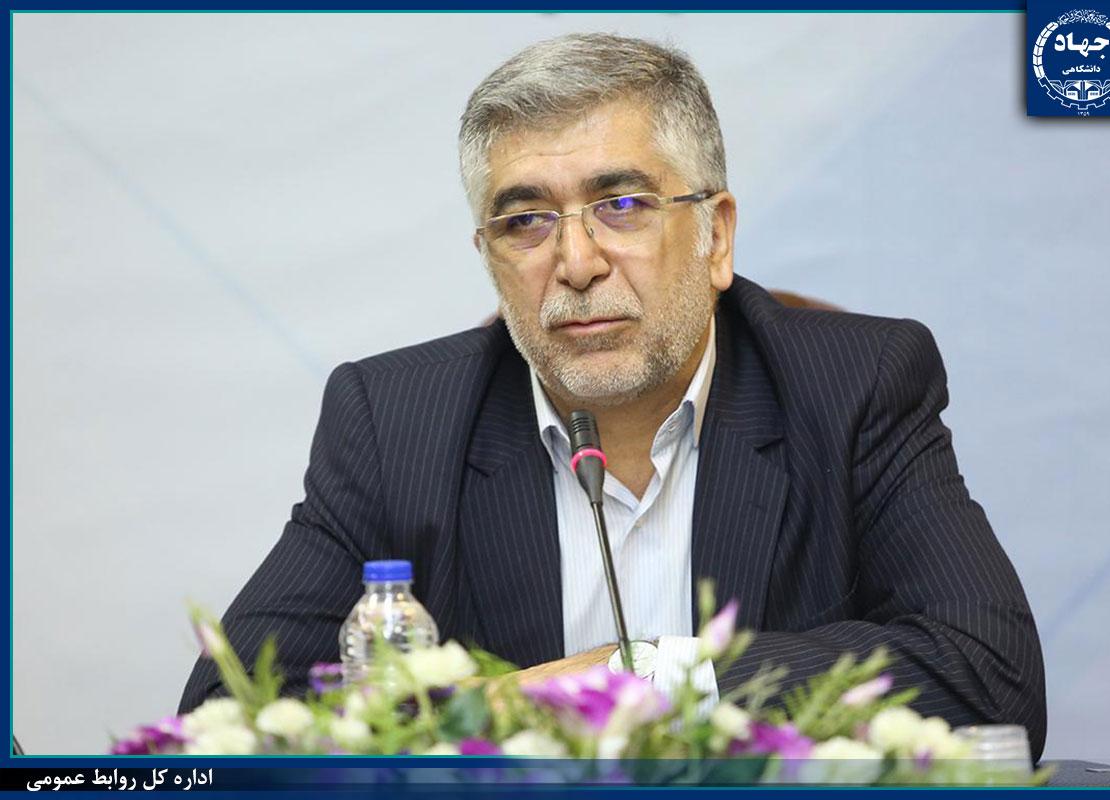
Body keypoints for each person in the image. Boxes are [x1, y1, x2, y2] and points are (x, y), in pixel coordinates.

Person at [180, 32, 1047, 759]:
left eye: (622, 204)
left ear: (716, 236)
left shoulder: (854, 386)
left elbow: (989, 672)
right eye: (526, 221)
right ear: (488, 257)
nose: (577, 263)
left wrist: (627, 683)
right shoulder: (396, 418)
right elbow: (227, 713)